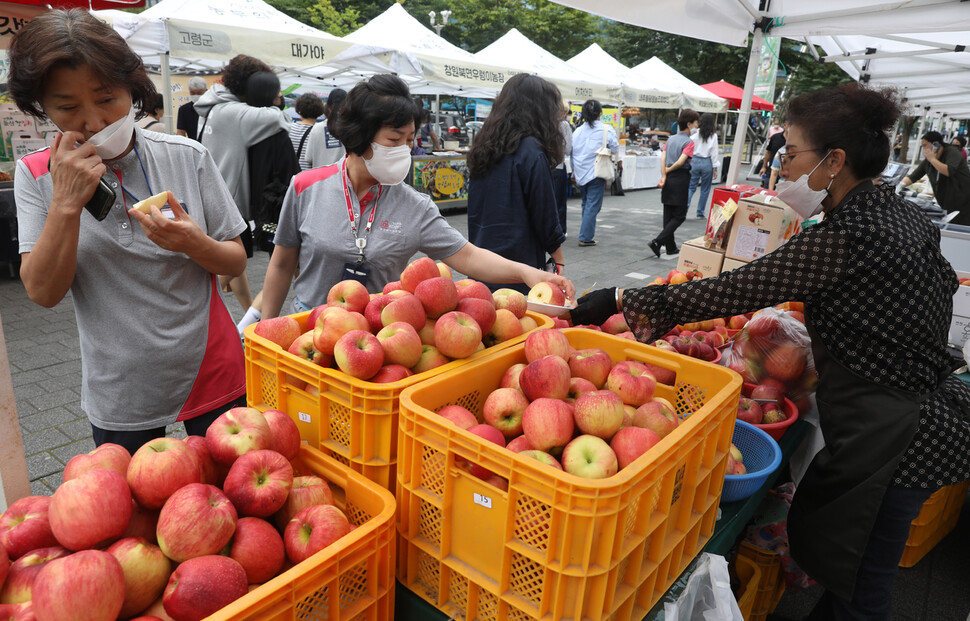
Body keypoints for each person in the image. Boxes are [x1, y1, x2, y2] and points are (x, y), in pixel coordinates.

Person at [570, 82, 970, 621]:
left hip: (894, 439)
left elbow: (735, 290)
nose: (782, 162)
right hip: (912, 415)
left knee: (864, 586)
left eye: (792, 150)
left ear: (835, 161)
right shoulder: (896, 215)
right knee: (853, 569)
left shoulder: (845, 236)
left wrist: (620, 298)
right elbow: (944, 283)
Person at [9, 9, 248, 454]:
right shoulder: (35, 174)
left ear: (132, 88)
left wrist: (197, 245)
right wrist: (65, 203)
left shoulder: (186, 155)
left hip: (211, 365)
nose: (94, 121)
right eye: (67, 107)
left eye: (107, 98)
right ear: (42, 107)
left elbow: (235, 260)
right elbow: (42, 292)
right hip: (120, 387)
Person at [259, 74, 574, 319]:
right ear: (359, 134)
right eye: (394, 138)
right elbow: (282, 265)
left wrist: (524, 271)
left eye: (410, 139)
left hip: (381, 336)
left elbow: (469, 257)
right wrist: (266, 329)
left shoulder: (415, 205)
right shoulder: (305, 187)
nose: (405, 149)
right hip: (308, 328)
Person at [195, 54, 290, 331]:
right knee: (223, 268)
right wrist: (273, 102)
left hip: (215, 191)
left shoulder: (216, 108)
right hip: (229, 199)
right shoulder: (234, 113)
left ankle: (244, 314)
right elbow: (277, 118)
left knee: (230, 263)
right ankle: (231, 322)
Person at [466, 74, 567, 294]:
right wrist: (558, 261)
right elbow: (545, 216)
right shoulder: (531, 152)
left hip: (479, 265)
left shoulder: (484, 145)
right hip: (518, 271)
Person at [247, 72, 300, 256]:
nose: (280, 94)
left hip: (253, 201)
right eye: (277, 90)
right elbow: (291, 172)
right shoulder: (277, 131)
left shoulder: (244, 126)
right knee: (283, 254)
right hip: (276, 203)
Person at [649, 108, 699, 258]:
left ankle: (670, 247)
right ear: (689, 124)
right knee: (680, 215)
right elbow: (680, 162)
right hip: (680, 178)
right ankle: (657, 241)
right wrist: (669, 171)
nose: (697, 126)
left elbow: (663, 158)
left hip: (669, 179)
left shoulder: (670, 139)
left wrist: (664, 174)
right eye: (696, 123)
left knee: (668, 214)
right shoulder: (688, 142)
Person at [570, 99, 618, 247]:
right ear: (600, 113)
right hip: (597, 171)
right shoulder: (606, 129)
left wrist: (573, 171)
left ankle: (586, 234)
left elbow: (572, 153)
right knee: (592, 205)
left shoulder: (577, 131)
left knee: (586, 203)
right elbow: (615, 149)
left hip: (580, 171)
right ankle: (585, 237)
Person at [899, 130, 970, 226]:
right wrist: (900, 185)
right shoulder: (929, 160)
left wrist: (932, 159)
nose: (923, 148)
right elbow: (914, 176)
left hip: (963, 203)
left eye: (925, 145)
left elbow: (948, 171)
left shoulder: (952, 152)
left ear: (936, 144)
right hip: (946, 203)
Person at [687, 112, 718, 219]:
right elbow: (714, 153)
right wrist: (715, 168)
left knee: (691, 187)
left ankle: (684, 208)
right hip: (707, 162)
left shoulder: (694, 134)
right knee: (705, 189)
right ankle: (700, 212)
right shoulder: (713, 136)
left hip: (694, 161)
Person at [305, 88, 347, 169]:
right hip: (343, 179)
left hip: (319, 178)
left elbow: (308, 158)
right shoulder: (349, 129)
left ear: (328, 107)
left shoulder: (317, 128)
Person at [289, 93, 324, 171]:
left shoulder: (289, 128)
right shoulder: (319, 132)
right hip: (308, 178)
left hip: (291, 177)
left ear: (299, 109)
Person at [552, 102, 572, 236]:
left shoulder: (544, 122)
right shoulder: (564, 125)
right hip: (558, 165)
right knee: (559, 201)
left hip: (544, 166)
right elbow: (568, 149)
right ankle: (560, 231)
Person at [176, 76, 207, 141]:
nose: (195, 95)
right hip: (193, 145)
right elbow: (180, 132)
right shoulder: (184, 110)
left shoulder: (212, 108)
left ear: (206, 91)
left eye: (199, 93)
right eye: (192, 93)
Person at [761, 117, 786, 187]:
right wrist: (764, 167)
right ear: (785, 125)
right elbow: (768, 152)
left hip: (785, 175)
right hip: (772, 170)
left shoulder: (795, 141)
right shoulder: (775, 137)